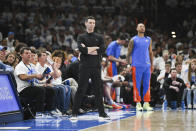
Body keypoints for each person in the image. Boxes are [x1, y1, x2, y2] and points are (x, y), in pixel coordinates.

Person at [70, 16, 110, 121]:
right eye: (90, 22)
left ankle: (102, 113)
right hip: (84, 66)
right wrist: (94, 48)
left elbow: (102, 49)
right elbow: (82, 50)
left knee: (98, 91)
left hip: (96, 66)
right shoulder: (81, 36)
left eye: (93, 23)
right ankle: (74, 113)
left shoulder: (100, 37)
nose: (92, 24)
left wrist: (88, 49)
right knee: (80, 90)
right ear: (86, 24)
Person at [126, 23, 154, 111]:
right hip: (136, 66)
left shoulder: (148, 39)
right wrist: (128, 65)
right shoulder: (133, 40)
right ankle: (138, 103)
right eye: (140, 26)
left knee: (147, 84)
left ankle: (146, 103)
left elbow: (150, 52)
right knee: (136, 85)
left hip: (147, 65)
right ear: (137, 28)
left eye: (143, 26)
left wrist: (152, 64)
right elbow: (128, 53)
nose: (142, 27)